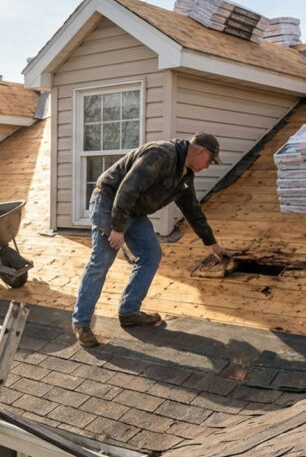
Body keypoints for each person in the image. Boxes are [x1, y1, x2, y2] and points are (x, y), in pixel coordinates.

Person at [71, 133, 230, 348]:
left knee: (150, 255)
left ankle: (129, 312)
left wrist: (212, 243)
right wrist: (117, 228)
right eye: (210, 160)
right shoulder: (161, 154)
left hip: (133, 209)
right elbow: (127, 188)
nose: (208, 166)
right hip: (110, 201)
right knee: (101, 261)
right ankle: (81, 323)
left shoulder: (184, 175)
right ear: (201, 151)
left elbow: (192, 210)